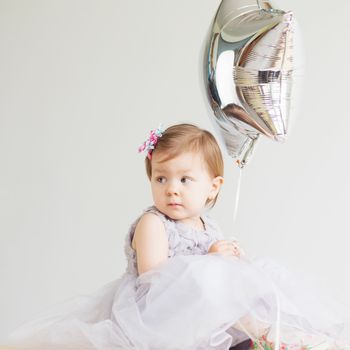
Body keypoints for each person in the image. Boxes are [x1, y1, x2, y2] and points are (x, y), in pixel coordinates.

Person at [5, 123, 350, 350]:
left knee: (257, 273)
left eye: (185, 180)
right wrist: (213, 263)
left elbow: (216, 279)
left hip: (201, 317)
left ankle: (271, 331)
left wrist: (231, 261)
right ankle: (264, 333)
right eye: (161, 178)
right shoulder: (152, 224)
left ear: (213, 188)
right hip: (154, 317)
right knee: (216, 277)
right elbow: (156, 281)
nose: (172, 189)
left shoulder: (208, 226)